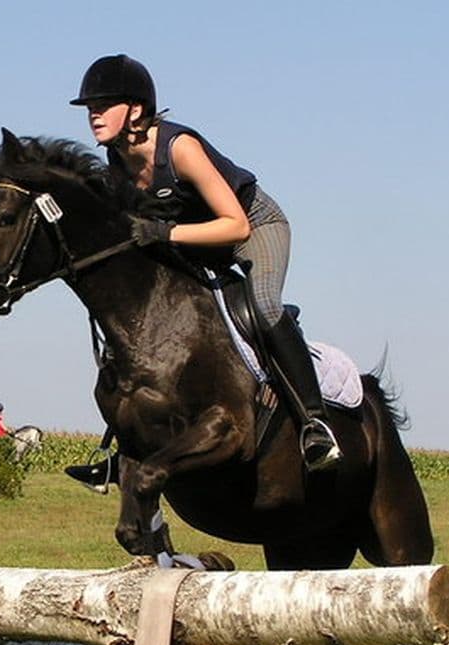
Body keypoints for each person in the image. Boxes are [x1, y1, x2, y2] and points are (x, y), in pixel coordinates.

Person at [63, 53, 340, 488]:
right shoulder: (116, 161)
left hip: (253, 227)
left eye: (104, 104)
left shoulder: (180, 148)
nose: (93, 114)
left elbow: (236, 224)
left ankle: (314, 424)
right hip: (193, 240)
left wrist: (166, 234)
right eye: (89, 108)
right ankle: (120, 451)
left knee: (265, 305)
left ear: (135, 109)